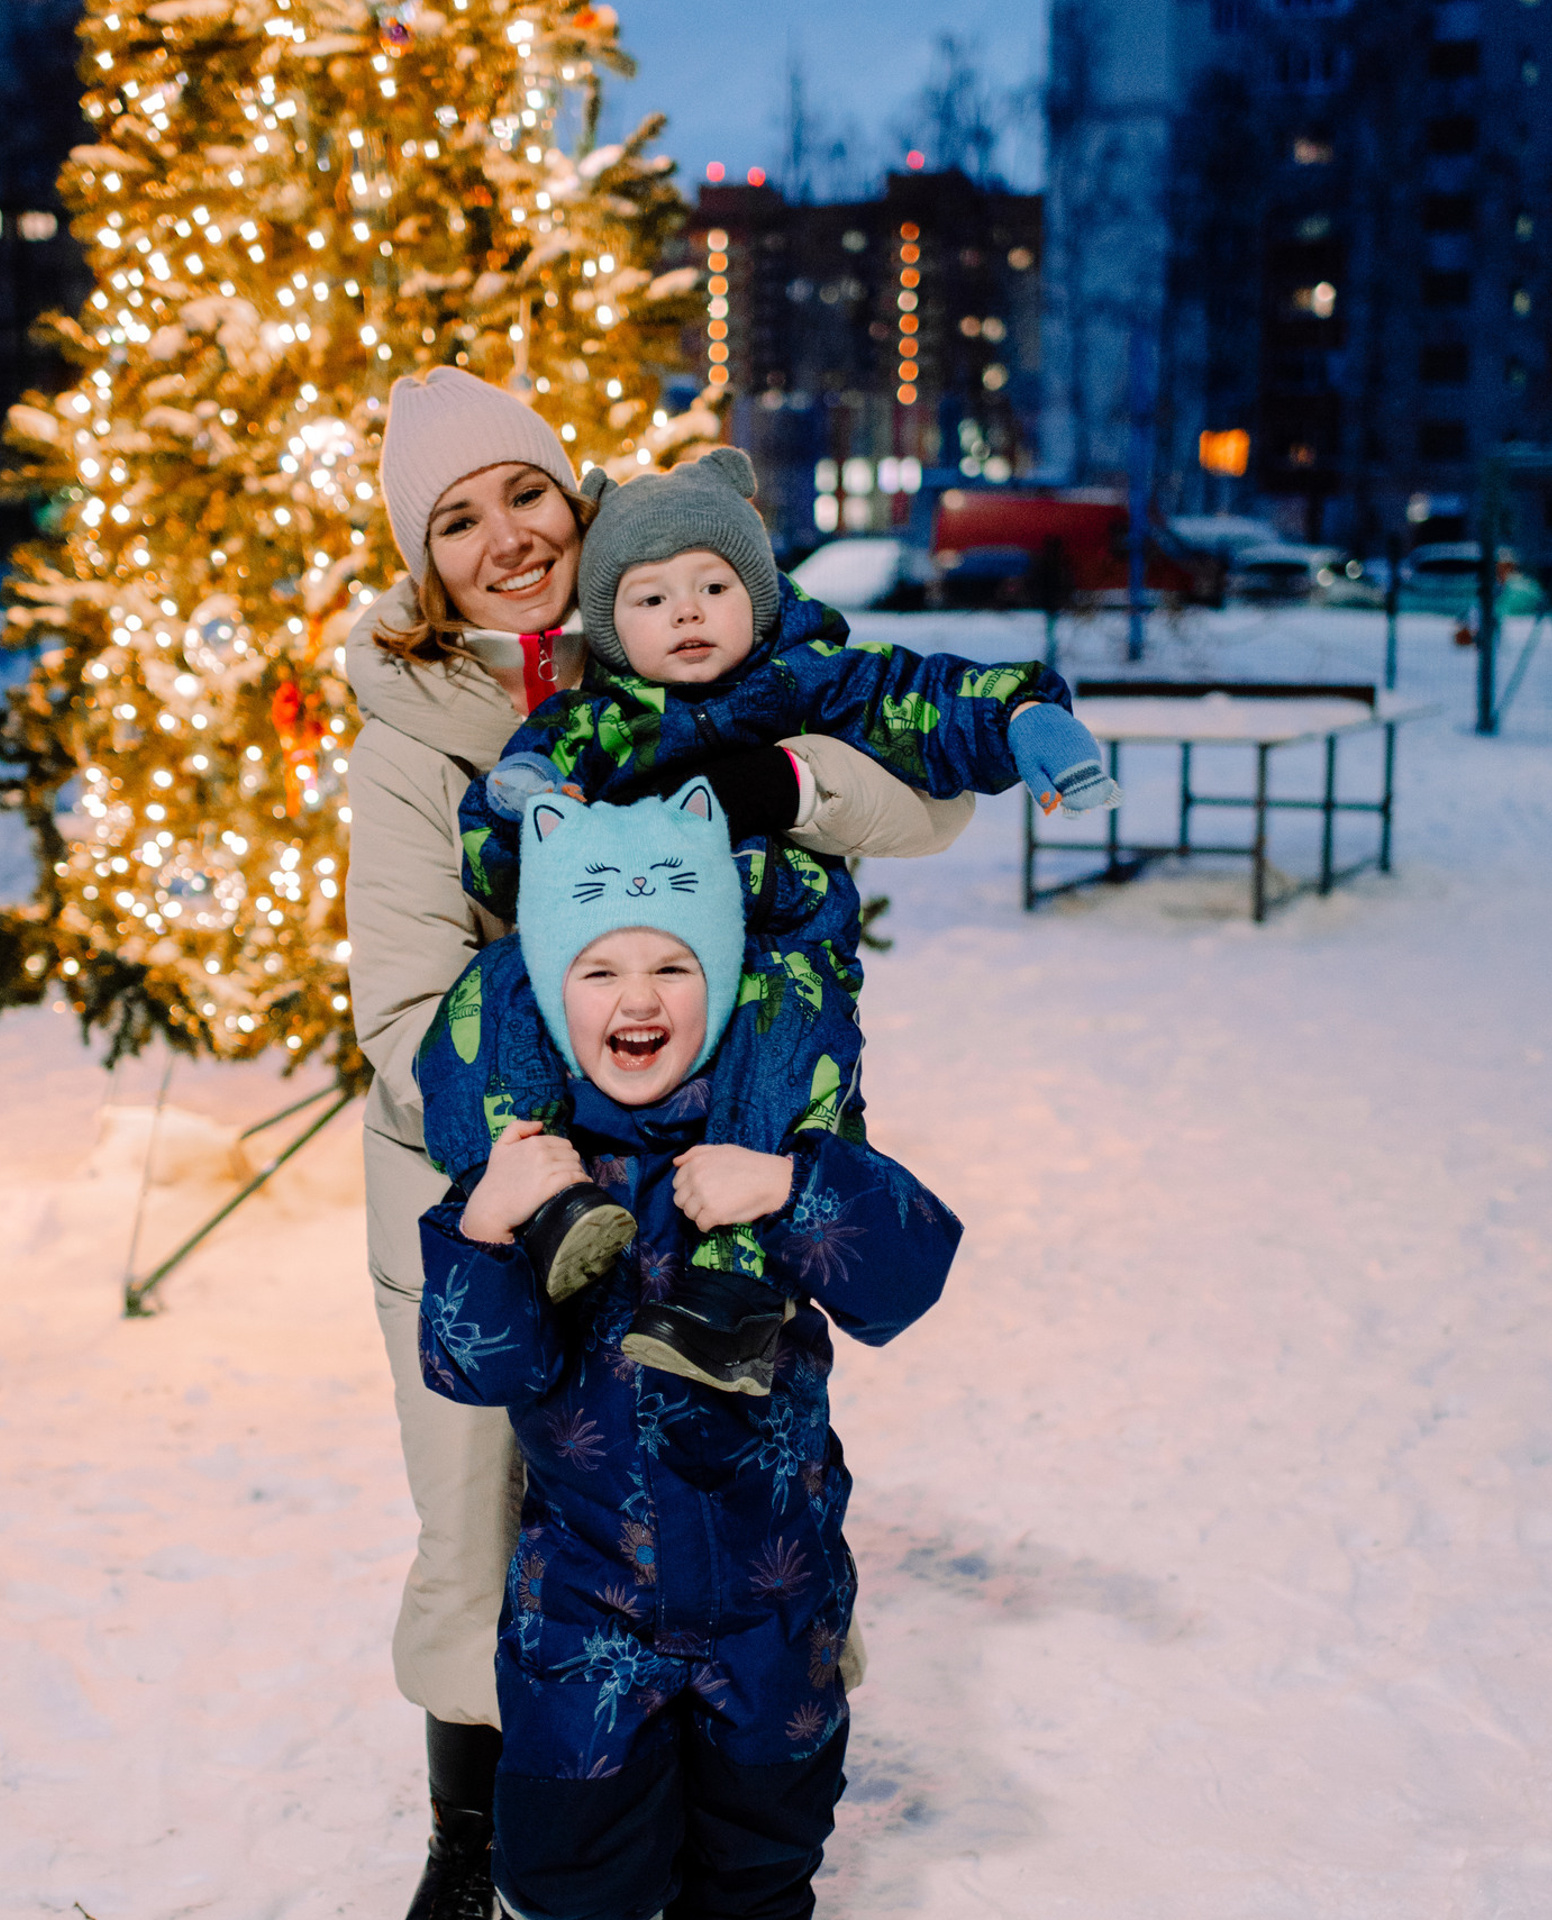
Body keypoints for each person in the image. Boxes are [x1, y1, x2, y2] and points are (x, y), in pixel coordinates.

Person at [345, 366, 978, 1920]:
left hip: (712, 1154)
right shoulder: (414, 723)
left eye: (523, 492)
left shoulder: (686, 606)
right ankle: (480, 1829)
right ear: (423, 562)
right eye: (455, 520)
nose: (505, 535)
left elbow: (932, 806)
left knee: (717, 1459)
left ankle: (738, 1791)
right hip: (489, 1169)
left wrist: (769, 778)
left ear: (573, 490)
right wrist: (542, 1149)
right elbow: (404, 998)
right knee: (482, 1503)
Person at [417, 446, 1118, 1397]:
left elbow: (924, 699)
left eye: (713, 584)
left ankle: (730, 1288)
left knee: (783, 1012)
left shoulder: (810, 680)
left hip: (776, 943)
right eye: (651, 598)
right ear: (613, 628)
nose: (688, 613)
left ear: (760, 591)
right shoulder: (595, 721)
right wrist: (522, 801)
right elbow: (500, 864)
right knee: (494, 993)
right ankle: (532, 1196)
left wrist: (1022, 718)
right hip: (625, 958)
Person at [416, 774, 962, 1920]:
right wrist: (484, 1222)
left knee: (759, 1869)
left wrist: (789, 1187)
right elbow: (479, 1365)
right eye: (598, 969)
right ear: (551, 994)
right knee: (572, 1877)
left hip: (775, 1609)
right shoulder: (534, 1166)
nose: (639, 997)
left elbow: (908, 1273)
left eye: (674, 964)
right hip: (584, 1613)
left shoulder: (773, 1139)